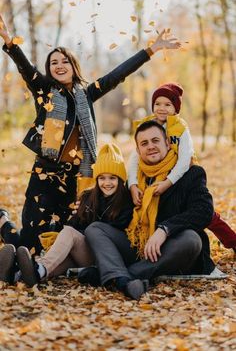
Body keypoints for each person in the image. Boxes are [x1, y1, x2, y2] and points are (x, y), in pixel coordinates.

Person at [0, 14, 181, 254]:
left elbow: (117, 74)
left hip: (77, 177)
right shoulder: (45, 92)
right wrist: (9, 41)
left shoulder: (87, 94)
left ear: (73, 66)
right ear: (49, 69)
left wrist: (151, 50)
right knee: (29, 244)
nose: (59, 65)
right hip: (45, 175)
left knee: (65, 236)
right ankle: (4, 223)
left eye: (64, 61)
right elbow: (25, 68)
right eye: (54, 62)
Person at [82, 120, 217, 300]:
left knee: (192, 239)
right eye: (144, 143)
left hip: (172, 249)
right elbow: (112, 205)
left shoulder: (191, 173)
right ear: (138, 151)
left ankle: (117, 275)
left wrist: (165, 230)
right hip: (138, 247)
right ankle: (124, 280)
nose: (151, 146)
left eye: (155, 141)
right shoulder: (134, 180)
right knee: (95, 229)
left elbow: (204, 211)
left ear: (167, 144)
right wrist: (85, 206)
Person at [0, 144, 134, 287]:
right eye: (102, 178)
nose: (107, 183)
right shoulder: (89, 196)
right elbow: (73, 224)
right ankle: (19, 275)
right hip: (83, 253)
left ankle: (39, 268)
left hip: (106, 257)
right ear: (97, 179)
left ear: (120, 179)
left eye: (112, 178)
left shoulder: (126, 201)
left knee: (69, 235)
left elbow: (107, 233)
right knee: (57, 262)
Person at [128, 82, 236, 251]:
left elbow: (184, 160)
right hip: (158, 174)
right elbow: (134, 158)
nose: (161, 108)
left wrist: (168, 183)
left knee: (209, 217)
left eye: (167, 104)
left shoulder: (180, 128)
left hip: (181, 175)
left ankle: (232, 241)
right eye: (157, 104)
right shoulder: (147, 126)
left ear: (176, 109)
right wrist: (133, 184)